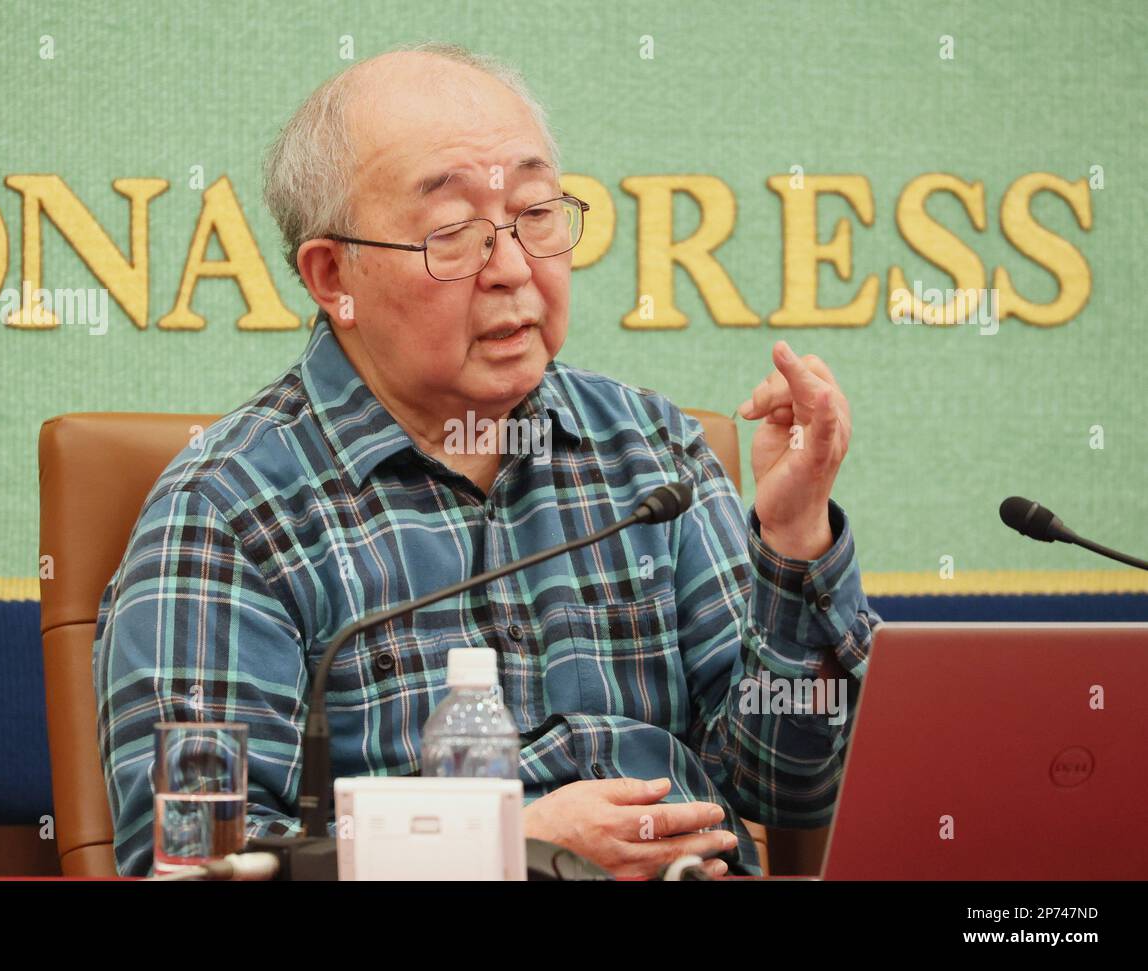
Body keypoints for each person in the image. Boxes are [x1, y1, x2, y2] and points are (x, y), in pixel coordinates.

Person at [93, 41, 879, 879]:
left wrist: (793, 537)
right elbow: (192, 861)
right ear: (333, 276)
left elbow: (789, 786)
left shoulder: (652, 457)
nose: (511, 268)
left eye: (536, 214)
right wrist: (507, 849)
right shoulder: (228, 509)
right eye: (452, 233)